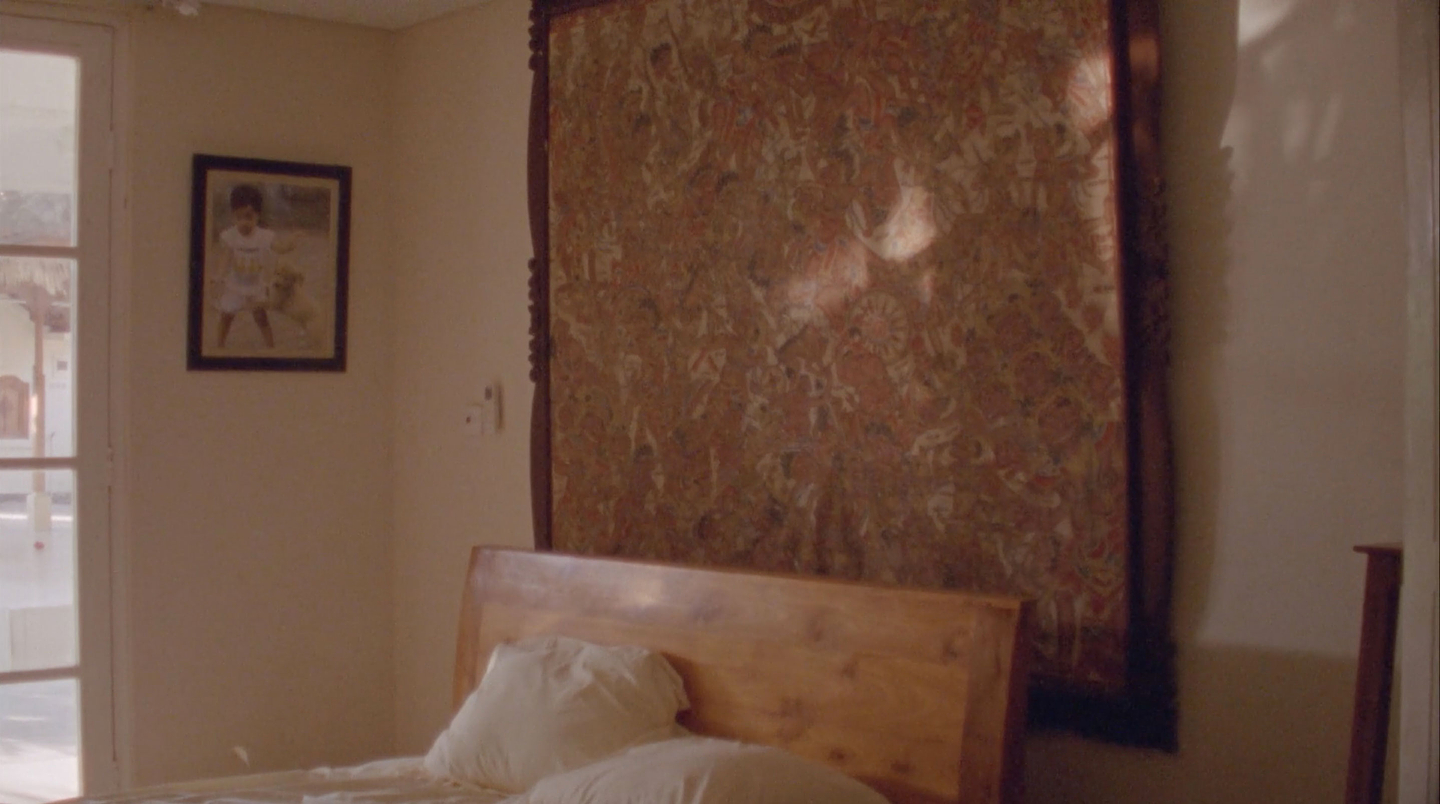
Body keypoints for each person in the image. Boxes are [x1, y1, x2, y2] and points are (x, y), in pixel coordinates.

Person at [214, 184, 294, 348]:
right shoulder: (231, 236)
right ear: (233, 216)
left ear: (258, 215)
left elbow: (279, 247)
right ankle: (219, 346)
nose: (243, 222)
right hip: (235, 285)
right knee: (226, 316)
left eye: (248, 217)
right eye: (238, 217)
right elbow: (226, 258)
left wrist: (289, 245)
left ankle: (270, 347)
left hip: (255, 285)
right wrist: (219, 275)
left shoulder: (263, 236)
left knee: (261, 317)